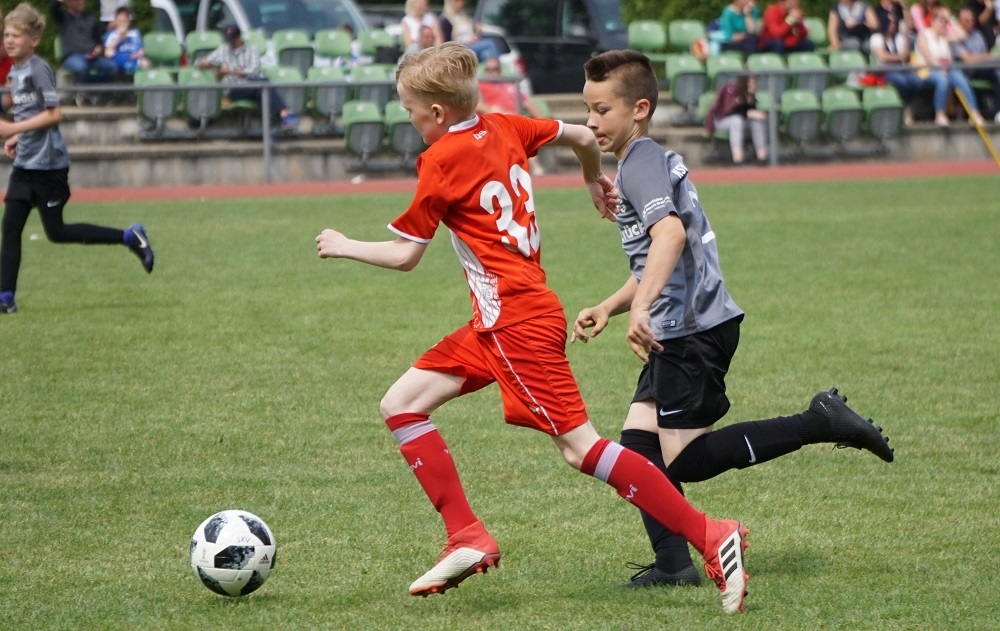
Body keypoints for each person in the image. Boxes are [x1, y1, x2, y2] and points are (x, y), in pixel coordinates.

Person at [314, 41, 751, 615]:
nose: (409, 117)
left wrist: (344, 244)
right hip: (498, 319)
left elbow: (405, 255)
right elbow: (580, 137)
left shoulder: (439, 160)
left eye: (410, 109)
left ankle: (710, 533)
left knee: (581, 448)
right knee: (401, 404)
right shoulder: (505, 125)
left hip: (514, 323)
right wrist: (593, 180)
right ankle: (467, 534)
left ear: (436, 112)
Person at [576, 49, 894, 589]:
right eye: (588, 110)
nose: (591, 121)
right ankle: (674, 565)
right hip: (685, 325)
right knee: (639, 446)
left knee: (685, 460)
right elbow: (657, 259)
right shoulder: (643, 161)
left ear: (639, 109)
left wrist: (644, 308)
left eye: (602, 110)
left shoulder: (641, 164)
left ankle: (819, 421)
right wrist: (612, 305)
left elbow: (670, 235)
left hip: (689, 331)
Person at [0, 3, 154, 316]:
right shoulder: (15, 71)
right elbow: (33, 114)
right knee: (10, 228)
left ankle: (129, 236)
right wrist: (19, 137)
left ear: (34, 40)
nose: (9, 40)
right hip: (26, 165)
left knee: (57, 232)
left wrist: (13, 128)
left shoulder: (38, 68)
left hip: (49, 167)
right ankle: (5, 298)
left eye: (17, 35)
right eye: (6, 35)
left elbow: (54, 114)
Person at [197, 25, 299, 131]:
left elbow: (253, 71)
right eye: (229, 39)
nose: (230, 42)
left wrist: (231, 71)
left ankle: (276, 124)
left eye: (233, 39)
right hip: (233, 89)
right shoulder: (223, 50)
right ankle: (284, 115)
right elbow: (198, 63)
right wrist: (207, 64)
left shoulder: (251, 49)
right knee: (264, 83)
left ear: (239, 37)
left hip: (252, 85)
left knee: (261, 89)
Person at [913, 6, 986, 126]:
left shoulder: (945, 38)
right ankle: (940, 114)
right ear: (933, 21)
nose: (943, 24)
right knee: (943, 80)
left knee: (961, 78)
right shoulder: (923, 35)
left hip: (946, 69)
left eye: (944, 22)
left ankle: (974, 113)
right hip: (927, 70)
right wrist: (940, 67)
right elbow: (928, 58)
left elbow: (963, 35)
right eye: (940, 20)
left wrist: (950, 19)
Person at [870, 10, 926, 124]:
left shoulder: (898, 38)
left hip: (902, 69)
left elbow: (905, 56)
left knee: (918, 82)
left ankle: (906, 104)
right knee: (901, 82)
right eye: (890, 22)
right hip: (886, 71)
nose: (893, 25)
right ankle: (906, 108)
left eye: (894, 23)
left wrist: (905, 38)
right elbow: (882, 56)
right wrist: (898, 57)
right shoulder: (877, 38)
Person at [50, 0, 118, 92]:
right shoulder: (62, 18)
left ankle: (93, 90)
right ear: (68, 2)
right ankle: (92, 91)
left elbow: (98, 41)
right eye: (78, 0)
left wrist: (98, 49)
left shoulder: (90, 19)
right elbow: (53, 8)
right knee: (81, 68)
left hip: (91, 57)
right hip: (72, 56)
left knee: (112, 67)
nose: (81, 2)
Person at [705, 75, 769, 165]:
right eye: (750, 83)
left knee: (756, 122)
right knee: (737, 121)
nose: (753, 86)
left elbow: (747, 112)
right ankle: (738, 159)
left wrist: (755, 114)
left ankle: (762, 157)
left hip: (741, 122)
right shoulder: (732, 91)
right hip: (721, 121)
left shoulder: (751, 96)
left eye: (754, 83)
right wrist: (748, 113)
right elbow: (728, 112)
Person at [953, 6, 1000, 114]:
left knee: (998, 74)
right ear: (959, 21)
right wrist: (986, 57)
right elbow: (967, 59)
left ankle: (998, 111)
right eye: (966, 20)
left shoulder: (977, 34)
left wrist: (985, 57)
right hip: (969, 70)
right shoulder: (956, 37)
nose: (970, 23)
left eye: (972, 20)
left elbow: (985, 52)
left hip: (985, 67)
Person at [102, 7, 148, 75]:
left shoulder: (135, 33)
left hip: (135, 58)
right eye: (120, 21)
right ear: (115, 21)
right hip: (119, 59)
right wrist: (119, 37)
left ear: (129, 21)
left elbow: (143, 49)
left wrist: (138, 54)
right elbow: (107, 53)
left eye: (124, 21)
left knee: (146, 63)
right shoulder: (111, 34)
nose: (122, 23)